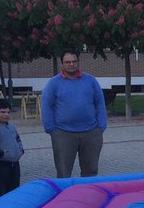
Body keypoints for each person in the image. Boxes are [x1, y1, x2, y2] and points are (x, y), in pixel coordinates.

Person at [41, 50, 107, 178]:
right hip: (63, 133)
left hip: (91, 133)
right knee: (63, 173)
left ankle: (87, 191)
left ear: (78, 62)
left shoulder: (91, 81)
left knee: (91, 171)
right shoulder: (53, 83)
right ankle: (65, 192)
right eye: (68, 62)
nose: (71, 64)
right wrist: (52, 130)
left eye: (74, 61)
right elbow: (46, 106)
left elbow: (100, 103)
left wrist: (100, 127)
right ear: (62, 63)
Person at [0, 99, 24, 200]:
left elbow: (18, 139)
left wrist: (20, 151)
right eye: (2, 112)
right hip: (0, 165)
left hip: (14, 164)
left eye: (8, 112)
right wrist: (0, 154)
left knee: (14, 190)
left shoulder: (12, 127)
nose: (6, 115)